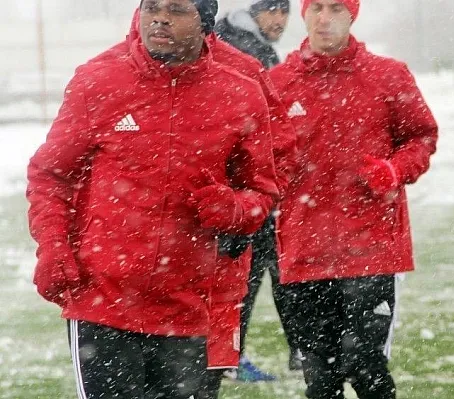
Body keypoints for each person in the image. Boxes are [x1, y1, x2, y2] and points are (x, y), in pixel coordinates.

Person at [25, 0, 280, 398]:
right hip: (104, 300)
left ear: (205, 24)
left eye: (176, 10)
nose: (159, 18)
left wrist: (232, 208)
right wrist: (54, 248)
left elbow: (262, 191)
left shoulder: (240, 92)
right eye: (152, 7)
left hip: (194, 306)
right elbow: (51, 173)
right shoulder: (99, 81)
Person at [269, 1, 438, 397]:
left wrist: (394, 170)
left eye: (335, 9)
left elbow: (421, 136)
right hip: (304, 250)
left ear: (352, 16)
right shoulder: (277, 84)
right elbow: (257, 158)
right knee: (320, 380)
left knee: (367, 368)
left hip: (371, 249)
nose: (323, 19)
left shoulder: (387, 76)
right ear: (304, 14)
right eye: (315, 9)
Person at [216, 0, 304, 380]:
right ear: (253, 11)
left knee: (272, 271)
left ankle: (240, 357)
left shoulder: (249, 43)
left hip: (252, 189)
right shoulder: (240, 46)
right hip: (243, 191)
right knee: (250, 276)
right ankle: (230, 358)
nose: (279, 20)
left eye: (284, 12)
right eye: (272, 10)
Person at [216, 0, 290, 68]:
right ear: (256, 12)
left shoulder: (266, 50)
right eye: (272, 12)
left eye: (284, 12)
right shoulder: (241, 49)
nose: (279, 21)